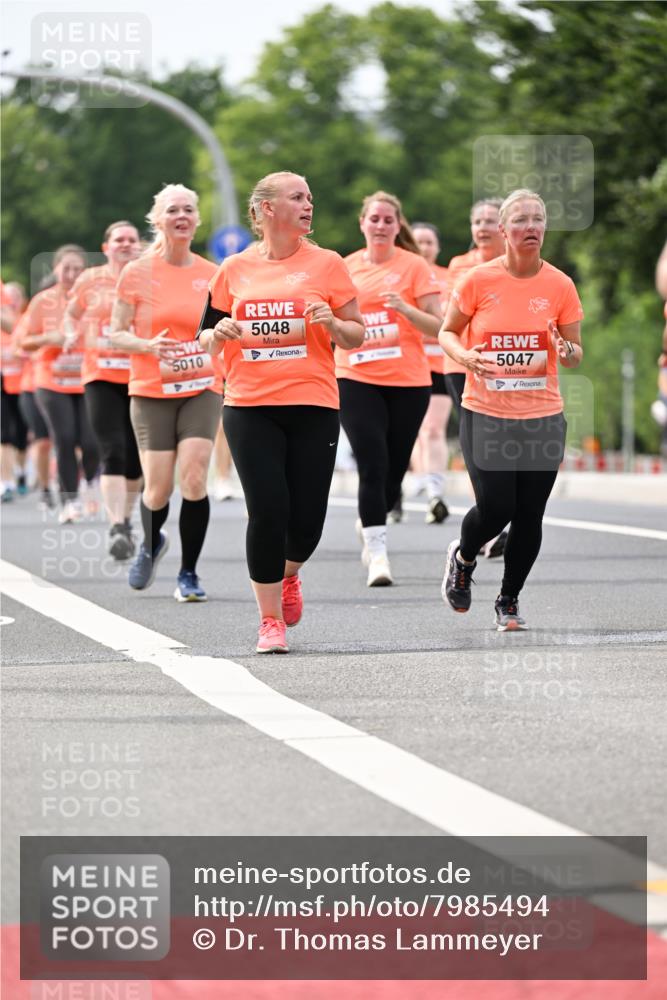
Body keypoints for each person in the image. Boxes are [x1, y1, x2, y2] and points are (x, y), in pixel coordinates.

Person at [198, 170, 363, 653]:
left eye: (310, 197)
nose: (309, 204)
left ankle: (289, 573)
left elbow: (357, 333)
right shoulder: (233, 269)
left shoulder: (328, 264)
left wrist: (333, 322)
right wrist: (218, 333)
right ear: (267, 209)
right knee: (267, 510)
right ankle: (269, 620)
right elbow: (204, 334)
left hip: (314, 403)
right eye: (297, 197)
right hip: (250, 405)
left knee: (306, 525)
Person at [439, 188, 583, 631]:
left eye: (538, 219)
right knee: (497, 506)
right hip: (486, 411)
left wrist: (566, 348)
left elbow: (575, 353)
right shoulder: (478, 280)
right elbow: (447, 333)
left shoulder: (559, 284)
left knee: (530, 513)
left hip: (541, 414)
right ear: (503, 230)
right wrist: (464, 358)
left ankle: (509, 599)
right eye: (521, 220)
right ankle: (463, 558)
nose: (532, 227)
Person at [109, 184, 221, 601]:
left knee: (194, 475)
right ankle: (152, 543)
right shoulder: (136, 272)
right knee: (157, 489)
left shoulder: (211, 273)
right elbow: (115, 333)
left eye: (189, 209)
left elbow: (218, 329)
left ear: (196, 220)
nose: (181, 216)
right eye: (172, 209)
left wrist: (215, 341)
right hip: (151, 388)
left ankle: (188, 573)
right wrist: (147, 345)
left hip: (202, 385)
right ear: (157, 220)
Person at [335, 191, 442, 586]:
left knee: (393, 474)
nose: (380, 226)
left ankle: (371, 523)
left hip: (409, 381)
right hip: (355, 376)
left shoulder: (414, 266)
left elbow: (440, 326)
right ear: (362, 223)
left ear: (399, 226)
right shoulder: (344, 268)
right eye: (374, 219)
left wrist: (405, 310)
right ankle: (378, 554)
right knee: (372, 463)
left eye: (388, 220)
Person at [65, 221, 143, 560]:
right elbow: (71, 314)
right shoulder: (90, 279)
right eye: (119, 240)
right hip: (100, 375)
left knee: (136, 457)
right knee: (112, 449)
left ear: (139, 246)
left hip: (142, 376)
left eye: (131, 239)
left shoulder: (149, 277)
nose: (125, 244)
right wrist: (70, 333)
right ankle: (117, 524)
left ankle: (126, 516)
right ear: (106, 246)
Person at [18, 245, 100, 523]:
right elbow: (23, 342)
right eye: (66, 268)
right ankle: (70, 500)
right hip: (51, 380)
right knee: (64, 438)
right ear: (56, 270)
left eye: (78, 269)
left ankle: (90, 481)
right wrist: (49, 339)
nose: (72, 274)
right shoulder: (43, 301)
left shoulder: (95, 300)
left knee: (91, 441)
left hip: (88, 378)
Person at [445, 198, 507, 558]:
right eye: (477, 222)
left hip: (512, 371)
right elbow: (455, 314)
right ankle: (487, 518)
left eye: (489, 221)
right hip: (464, 366)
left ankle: (495, 513)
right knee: (480, 447)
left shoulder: (519, 267)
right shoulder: (461, 266)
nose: (482, 228)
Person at [408, 221, 452, 524]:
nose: (424, 247)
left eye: (429, 242)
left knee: (432, 429)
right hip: (406, 365)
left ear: (437, 247)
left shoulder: (452, 278)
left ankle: (434, 487)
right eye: (418, 242)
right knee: (411, 431)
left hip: (440, 365)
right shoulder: (400, 274)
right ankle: (411, 479)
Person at [0, 281, 28, 501]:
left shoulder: (24, 321)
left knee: (18, 432)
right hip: (4, 381)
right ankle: (7, 480)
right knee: (5, 434)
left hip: (22, 383)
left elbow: (10, 325)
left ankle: (16, 474)